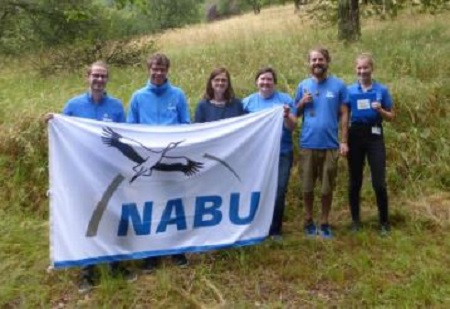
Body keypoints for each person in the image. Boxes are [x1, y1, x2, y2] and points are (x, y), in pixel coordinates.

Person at [45, 61, 135, 293]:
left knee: (112, 217)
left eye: (103, 76)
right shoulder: (73, 105)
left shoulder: (115, 107)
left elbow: (122, 139)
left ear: (107, 80)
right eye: (95, 75)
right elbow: (63, 133)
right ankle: (88, 270)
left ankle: (117, 265)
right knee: (87, 220)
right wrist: (53, 122)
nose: (99, 79)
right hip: (82, 173)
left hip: (109, 173)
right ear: (87, 77)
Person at [127, 53, 189, 271]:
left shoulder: (178, 95)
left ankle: (176, 249)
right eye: (154, 68)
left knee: (174, 204)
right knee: (149, 205)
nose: (158, 73)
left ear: (167, 71)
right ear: (148, 69)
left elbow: (186, 125)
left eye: (162, 69)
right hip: (147, 161)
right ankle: (151, 253)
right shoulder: (138, 97)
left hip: (169, 159)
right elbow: (130, 129)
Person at [294, 47, 349, 238]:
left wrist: (343, 141)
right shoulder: (303, 85)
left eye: (321, 59)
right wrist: (301, 102)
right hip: (308, 144)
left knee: (327, 187)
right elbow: (295, 114)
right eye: (313, 60)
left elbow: (344, 113)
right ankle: (308, 220)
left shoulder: (339, 86)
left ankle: (324, 221)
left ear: (327, 61)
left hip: (330, 145)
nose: (317, 63)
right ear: (309, 63)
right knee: (307, 186)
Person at [243, 67, 297, 241]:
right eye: (262, 79)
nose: (265, 82)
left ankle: (275, 230)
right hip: (257, 155)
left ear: (274, 83)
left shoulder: (285, 100)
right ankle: (255, 226)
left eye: (269, 80)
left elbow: (292, 126)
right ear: (256, 82)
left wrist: (287, 116)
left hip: (282, 152)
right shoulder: (247, 103)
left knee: (279, 190)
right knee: (256, 189)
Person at [346, 53, 395, 235]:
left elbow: (391, 117)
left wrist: (380, 110)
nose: (362, 71)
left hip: (375, 135)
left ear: (371, 69)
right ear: (355, 69)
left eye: (365, 67)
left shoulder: (381, 90)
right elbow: (343, 115)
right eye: (359, 68)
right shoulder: (349, 90)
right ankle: (355, 221)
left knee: (379, 182)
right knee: (355, 180)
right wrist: (343, 139)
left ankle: (384, 222)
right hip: (355, 135)